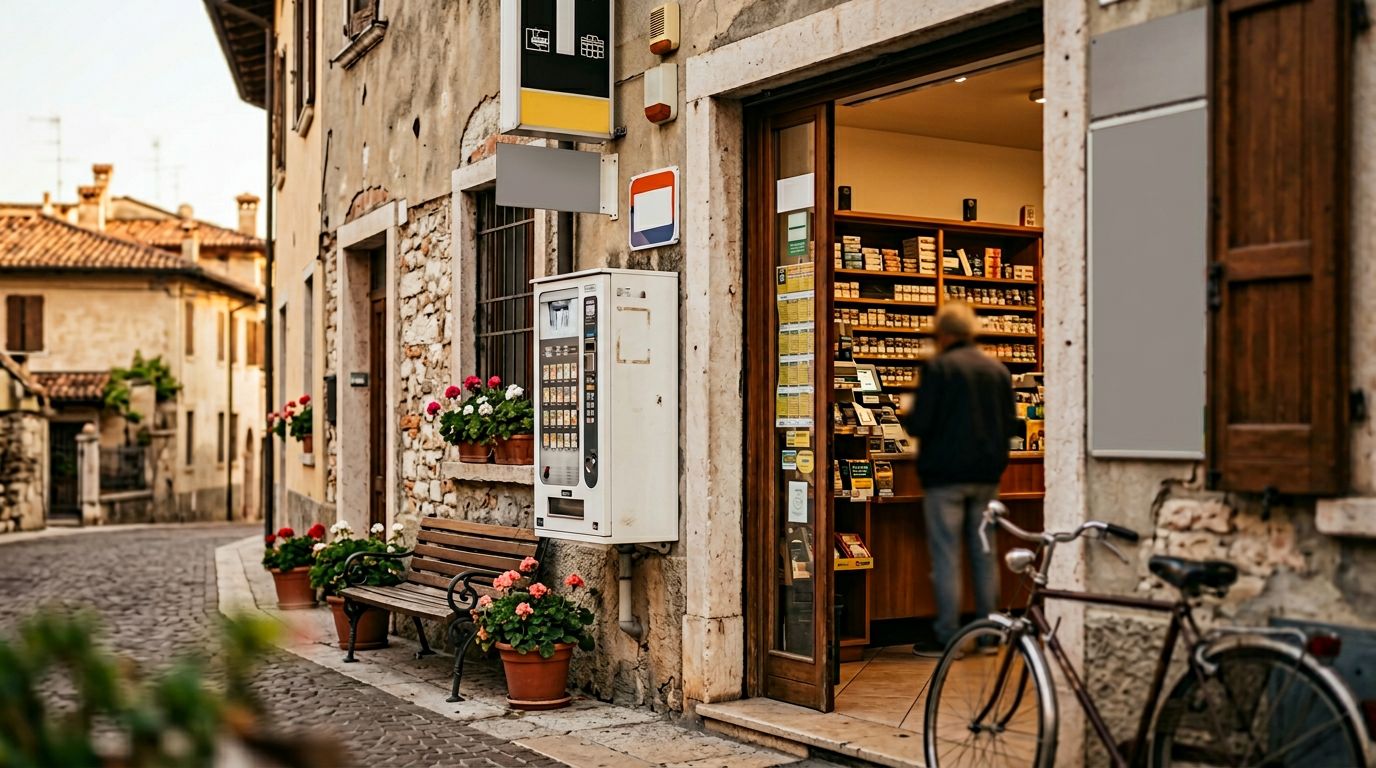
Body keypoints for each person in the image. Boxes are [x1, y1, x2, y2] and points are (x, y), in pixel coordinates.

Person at [903, 301, 1018, 657]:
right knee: (985, 554)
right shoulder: (997, 370)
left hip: (945, 478)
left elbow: (921, 423)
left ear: (945, 334)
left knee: (947, 556)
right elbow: (1011, 425)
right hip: (986, 477)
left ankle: (949, 637)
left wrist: (908, 416)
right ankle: (989, 635)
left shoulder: (940, 368)